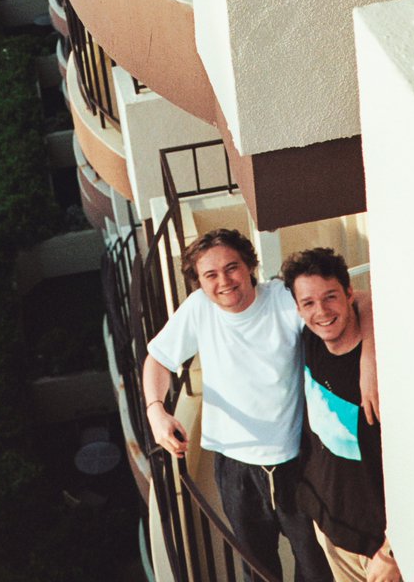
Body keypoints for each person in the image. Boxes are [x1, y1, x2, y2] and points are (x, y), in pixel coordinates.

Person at [142, 228, 378, 582]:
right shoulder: (198, 310)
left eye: (232, 267)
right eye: (211, 274)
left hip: (297, 463)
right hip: (236, 469)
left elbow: (363, 300)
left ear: (249, 265)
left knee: (315, 570)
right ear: (199, 283)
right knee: (257, 571)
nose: (224, 281)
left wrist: (369, 363)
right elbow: (157, 360)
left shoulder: (283, 299)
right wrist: (156, 410)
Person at [281, 248, 401, 582]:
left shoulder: (385, 376)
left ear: (348, 294)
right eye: (308, 303)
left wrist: (395, 549)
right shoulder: (310, 339)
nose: (321, 311)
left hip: (378, 549)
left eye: (330, 297)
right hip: (330, 527)